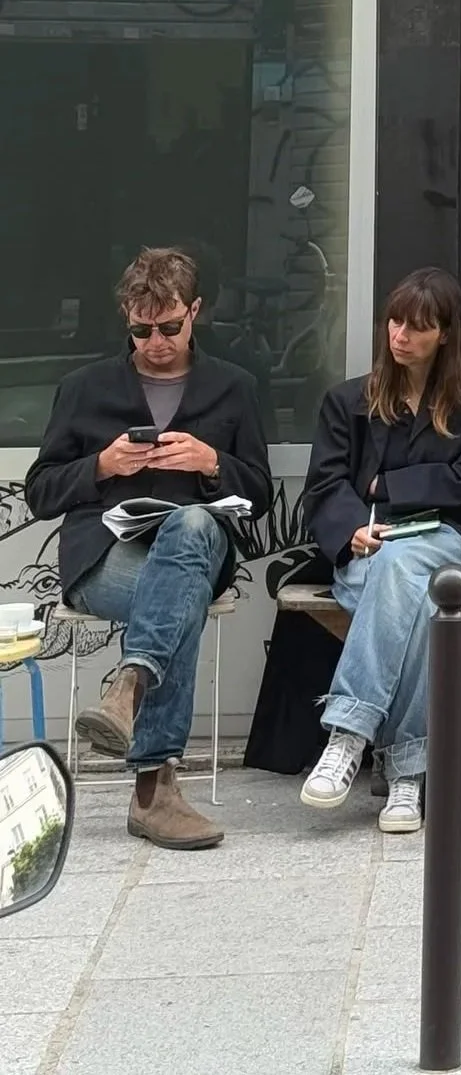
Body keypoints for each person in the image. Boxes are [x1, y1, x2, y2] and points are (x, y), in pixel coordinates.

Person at [25, 248, 272, 850]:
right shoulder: (85, 388)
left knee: (190, 528)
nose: (154, 342)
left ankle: (130, 684)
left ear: (196, 313)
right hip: (105, 558)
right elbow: (40, 491)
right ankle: (153, 792)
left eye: (169, 327)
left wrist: (212, 463)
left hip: (193, 547)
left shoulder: (232, 388)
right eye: (140, 330)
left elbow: (260, 493)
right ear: (124, 320)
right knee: (179, 603)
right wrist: (101, 466)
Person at [300, 268, 461, 833]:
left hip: (448, 541)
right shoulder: (348, 401)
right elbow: (325, 486)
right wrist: (353, 527)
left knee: (407, 568)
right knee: (425, 611)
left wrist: (385, 486)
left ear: (445, 334)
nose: (400, 335)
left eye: (417, 327)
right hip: (369, 549)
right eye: (394, 321)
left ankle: (348, 734)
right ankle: (406, 773)